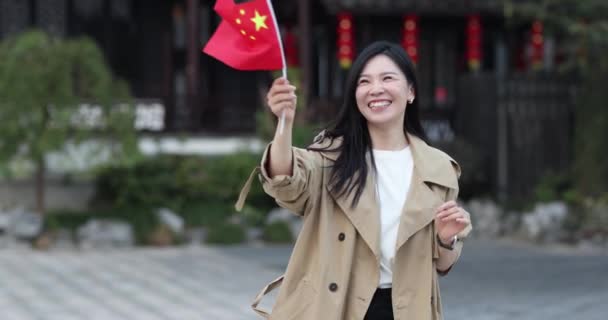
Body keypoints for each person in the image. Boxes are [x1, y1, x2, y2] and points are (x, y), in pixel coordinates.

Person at [237, 41, 472, 320]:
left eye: (387, 78)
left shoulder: (439, 168)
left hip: (405, 310)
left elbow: (441, 265)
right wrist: (285, 123)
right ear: (356, 95)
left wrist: (447, 238)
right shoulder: (330, 157)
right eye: (364, 81)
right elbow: (284, 180)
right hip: (335, 306)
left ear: (410, 92)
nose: (376, 89)